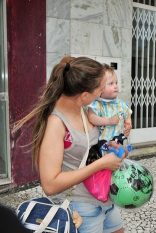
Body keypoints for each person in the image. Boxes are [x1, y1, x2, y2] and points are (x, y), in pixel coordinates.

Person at [13, 56, 130, 233]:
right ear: (84, 95)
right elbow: (50, 185)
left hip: (104, 198)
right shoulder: (56, 124)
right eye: (99, 89)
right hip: (80, 209)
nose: (101, 93)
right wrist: (101, 164)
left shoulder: (83, 110)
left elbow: (86, 150)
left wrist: (109, 149)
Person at [87, 64, 132, 156]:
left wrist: (128, 123)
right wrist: (108, 121)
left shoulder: (120, 104)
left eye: (116, 83)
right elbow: (91, 117)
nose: (115, 86)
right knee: (107, 162)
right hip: (104, 142)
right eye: (111, 84)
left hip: (118, 139)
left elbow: (127, 114)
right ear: (99, 88)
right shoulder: (97, 104)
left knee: (120, 158)